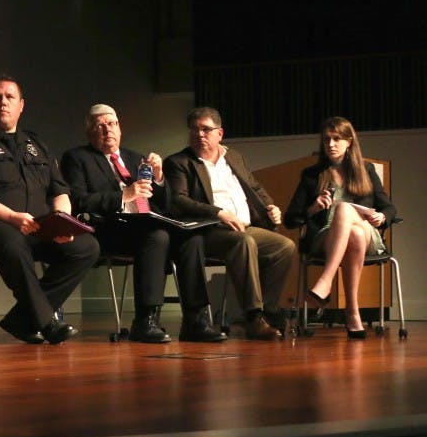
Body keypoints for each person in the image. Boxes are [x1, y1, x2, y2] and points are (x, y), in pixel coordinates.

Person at [0, 76, 98, 344]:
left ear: (21, 105)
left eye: (10, 97)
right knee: (14, 244)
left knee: (86, 247)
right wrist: (11, 217)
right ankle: (47, 321)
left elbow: (59, 190)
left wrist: (62, 222)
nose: (3, 102)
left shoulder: (35, 144)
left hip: (39, 226)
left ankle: (24, 319)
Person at [61, 104, 226, 343]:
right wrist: (122, 196)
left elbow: (167, 204)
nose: (108, 129)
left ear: (120, 128)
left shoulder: (133, 157)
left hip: (150, 223)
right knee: (158, 235)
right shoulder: (77, 158)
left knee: (192, 237)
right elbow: (78, 200)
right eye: (100, 125)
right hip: (110, 227)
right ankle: (145, 320)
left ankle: (195, 320)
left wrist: (159, 178)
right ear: (89, 132)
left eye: (112, 123)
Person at [163, 106, 295, 340]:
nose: (199, 135)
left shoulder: (234, 158)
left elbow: (254, 188)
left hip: (244, 226)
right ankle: (254, 317)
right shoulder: (179, 162)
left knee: (284, 247)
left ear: (219, 133)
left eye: (205, 129)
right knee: (243, 242)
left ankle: (268, 310)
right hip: (208, 230)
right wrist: (218, 213)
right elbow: (179, 202)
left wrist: (271, 207)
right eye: (194, 130)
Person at [285, 117, 397, 338]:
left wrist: (381, 218)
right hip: (326, 237)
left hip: (367, 232)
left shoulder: (366, 169)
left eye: (337, 139)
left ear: (349, 142)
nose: (331, 144)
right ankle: (352, 312)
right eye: (326, 139)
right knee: (352, 232)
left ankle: (325, 282)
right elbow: (290, 219)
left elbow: (389, 208)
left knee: (346, 212)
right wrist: (313, 209)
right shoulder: (312, 175)